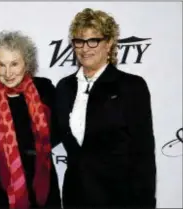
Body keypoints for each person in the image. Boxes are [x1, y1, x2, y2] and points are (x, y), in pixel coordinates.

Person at [55, 8, 156, 208]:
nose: (85, 48)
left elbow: (143, 154)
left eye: (93, 40)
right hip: (76, 197)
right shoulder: (64, 87)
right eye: (79, 41)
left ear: (109, 43)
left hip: (119, 199)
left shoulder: (131, 86)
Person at [0, 31, 61, 209]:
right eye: (2, 65)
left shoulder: (44, 90)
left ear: (27, 63)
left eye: (14, 64)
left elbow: (56, 132)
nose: (8, 73)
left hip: (42, 191)